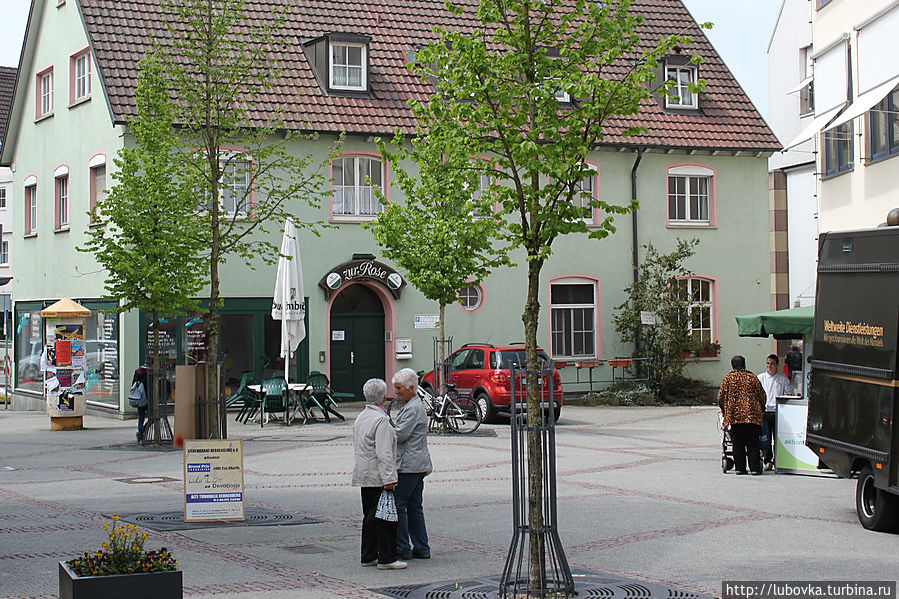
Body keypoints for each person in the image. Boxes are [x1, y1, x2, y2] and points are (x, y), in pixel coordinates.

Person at [352, 378, 406, 570]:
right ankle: (386, 557)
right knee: (385, 518)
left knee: (369, 517)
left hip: (363, 474)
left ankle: (368, 555)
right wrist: (390, 479)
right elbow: (384, 453)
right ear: (383, 398)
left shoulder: (361, 417)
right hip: (377, 476)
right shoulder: (381, 420)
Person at [392, 368, 432, 561]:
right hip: (417, 463)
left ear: (411, 388)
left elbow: (400, 435)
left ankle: (403, 546)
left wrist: (386, 431)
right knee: (415, 506)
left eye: (399, 388)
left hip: (409, 464)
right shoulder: (414, 406)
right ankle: (421, 546)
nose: (396, 392)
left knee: (400, 504)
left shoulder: (412, 408)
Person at [718, 355, 767, 475]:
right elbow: (762, 395)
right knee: (753, 443)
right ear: (744, 364)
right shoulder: (752, 378)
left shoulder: (728, 379)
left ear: (732, 365)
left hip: (735, 417)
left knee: (738, 443)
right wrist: (761, 408)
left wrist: (724, 409)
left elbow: (721, 397)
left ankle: (740, 468)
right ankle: (754, 468)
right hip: (752, 417)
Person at [757, 354, 793, 470]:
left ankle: (778, 460)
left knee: (777, 438)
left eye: (772, 364)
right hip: (765, 412)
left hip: (779, 412)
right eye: (768, 363)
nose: (769, 366)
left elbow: (789, 394)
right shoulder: (760, 378)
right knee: (766, 438)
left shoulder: (783, 379)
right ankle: (767, 461)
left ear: (777, 365)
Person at [130, 366, 149, 443]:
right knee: (154, 417)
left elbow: (133, 384)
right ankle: (143, 431)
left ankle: (141, 436)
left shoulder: (137, 372)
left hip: (138, 399)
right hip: (147, 399)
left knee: (141, 418)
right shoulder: (149, 373)